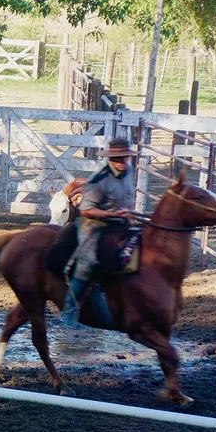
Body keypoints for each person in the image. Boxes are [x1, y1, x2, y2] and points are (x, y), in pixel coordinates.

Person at [61, 138, 136, 328]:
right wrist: (114, 214)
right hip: (94, 225)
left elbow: (128, 197)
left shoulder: (129, 172)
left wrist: (128, 213)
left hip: (121, 223)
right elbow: (86, 210)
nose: (123, 161)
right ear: (110, 159)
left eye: (125, 157)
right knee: (88, 264)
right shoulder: (98, 180)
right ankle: (69, 311)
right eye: (118, 158)